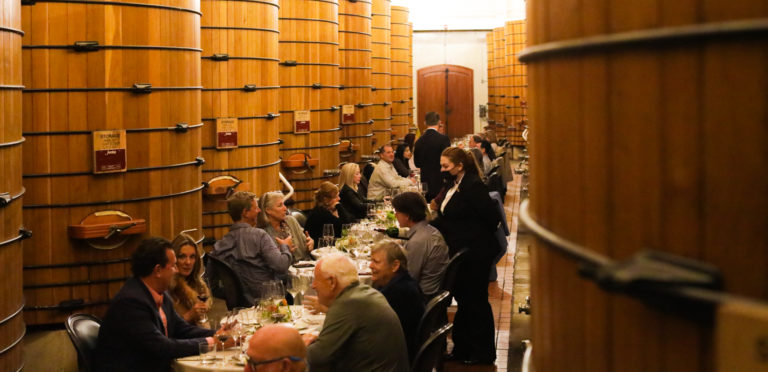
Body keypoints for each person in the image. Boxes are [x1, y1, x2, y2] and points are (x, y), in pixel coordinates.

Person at [94, 237, 231, 372]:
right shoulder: (131, 302)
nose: (176, 271)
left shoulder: (160, 293)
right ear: (158, 270)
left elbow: (181, 329)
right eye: (173, 266)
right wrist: (211, 342)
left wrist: (220, 334)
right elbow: (162, 347)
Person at [430, 147, 502, 365]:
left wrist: (469, 234)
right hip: (461, 253)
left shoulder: (472, 186)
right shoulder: (454, 184)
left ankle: (483, 352)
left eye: (446, 166)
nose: (442, 170)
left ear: (459, 166)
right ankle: (463, 348)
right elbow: (448, 216)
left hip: (475, 254)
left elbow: (492, 218)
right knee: (465, 300)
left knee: (475, 301)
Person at [302, 253, 409, 371]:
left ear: (332, 282)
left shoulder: (346, 304)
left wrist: (297, 344)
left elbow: (317, 357)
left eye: (316, 279)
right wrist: (316, 334)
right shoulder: (364, 293)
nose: (313, 286)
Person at [209, 191, 293, 304]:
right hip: (270, 306)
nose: (259, 211)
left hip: (239, 311)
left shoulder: (218, 247)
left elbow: (209, 284)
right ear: (245, 213)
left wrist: (233, 296)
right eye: (256, 208)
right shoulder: (259, 236)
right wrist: (285, 246)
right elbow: (281, 265)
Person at [369, 240, 425, 361]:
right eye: (371, 260)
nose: (370, 265)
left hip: (396, 359)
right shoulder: (403, 282)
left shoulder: (398, 293)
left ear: (395, 265)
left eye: (376, 262)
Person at [391, 191, 449, 299]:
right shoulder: (429, 229)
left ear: (407, 216)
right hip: (430, 290)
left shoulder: (417, 242)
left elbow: (409, 278)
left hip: (422, 297)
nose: (395, 215)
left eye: (397, 212)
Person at [258, 191, 314, 262]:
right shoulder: (262, 232)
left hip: (305, 267)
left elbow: (306, 247)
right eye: (280, 205)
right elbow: (270, 262)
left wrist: (310, 243)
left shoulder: (291, 220)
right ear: (268, 210)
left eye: (284, 204)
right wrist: (285, 251)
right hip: (284, 271)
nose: (285, 208)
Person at [170, 232, 212, 326]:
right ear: (173, 258)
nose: (188, 262)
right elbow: (167, 330)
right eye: (182, 256)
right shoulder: (167, 288)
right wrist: (189, 316)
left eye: (192, 257)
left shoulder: (198, 285)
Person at [413, 111, 451, 201]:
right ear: (439, 122)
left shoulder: (419, 141)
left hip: (425, 183)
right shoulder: (444, 139)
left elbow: (417, 164)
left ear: (425, 123)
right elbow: (449, 161)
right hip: (441, 181)